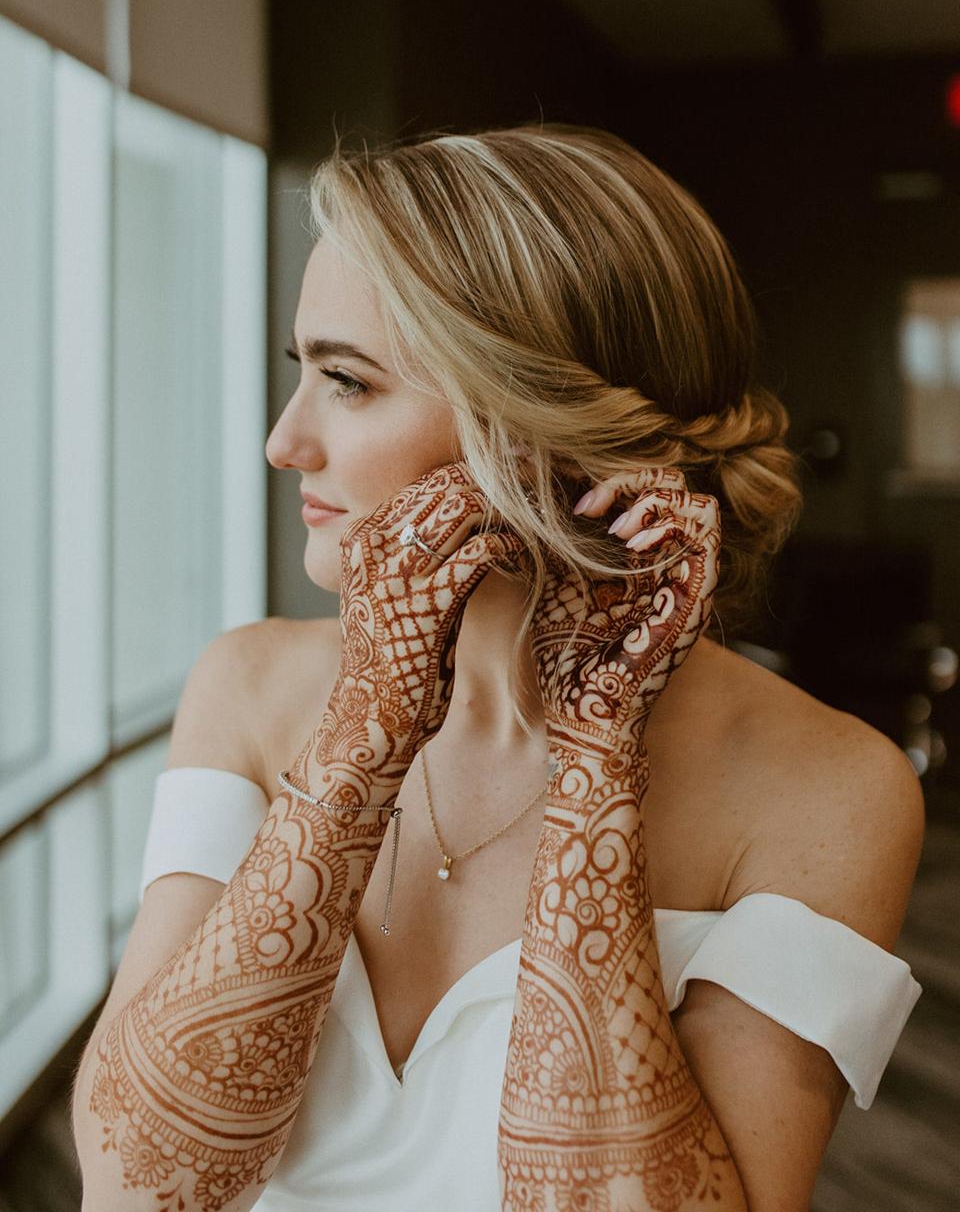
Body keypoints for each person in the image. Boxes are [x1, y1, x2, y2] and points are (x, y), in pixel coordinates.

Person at [72, 124, 924, 1211]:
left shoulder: (829, 791)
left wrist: (596, 753)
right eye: (304, 373)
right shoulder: (247, 689)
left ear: (545, 429)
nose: (285, 441)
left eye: (349, 382)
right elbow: (139, 1187)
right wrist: (366, 730)